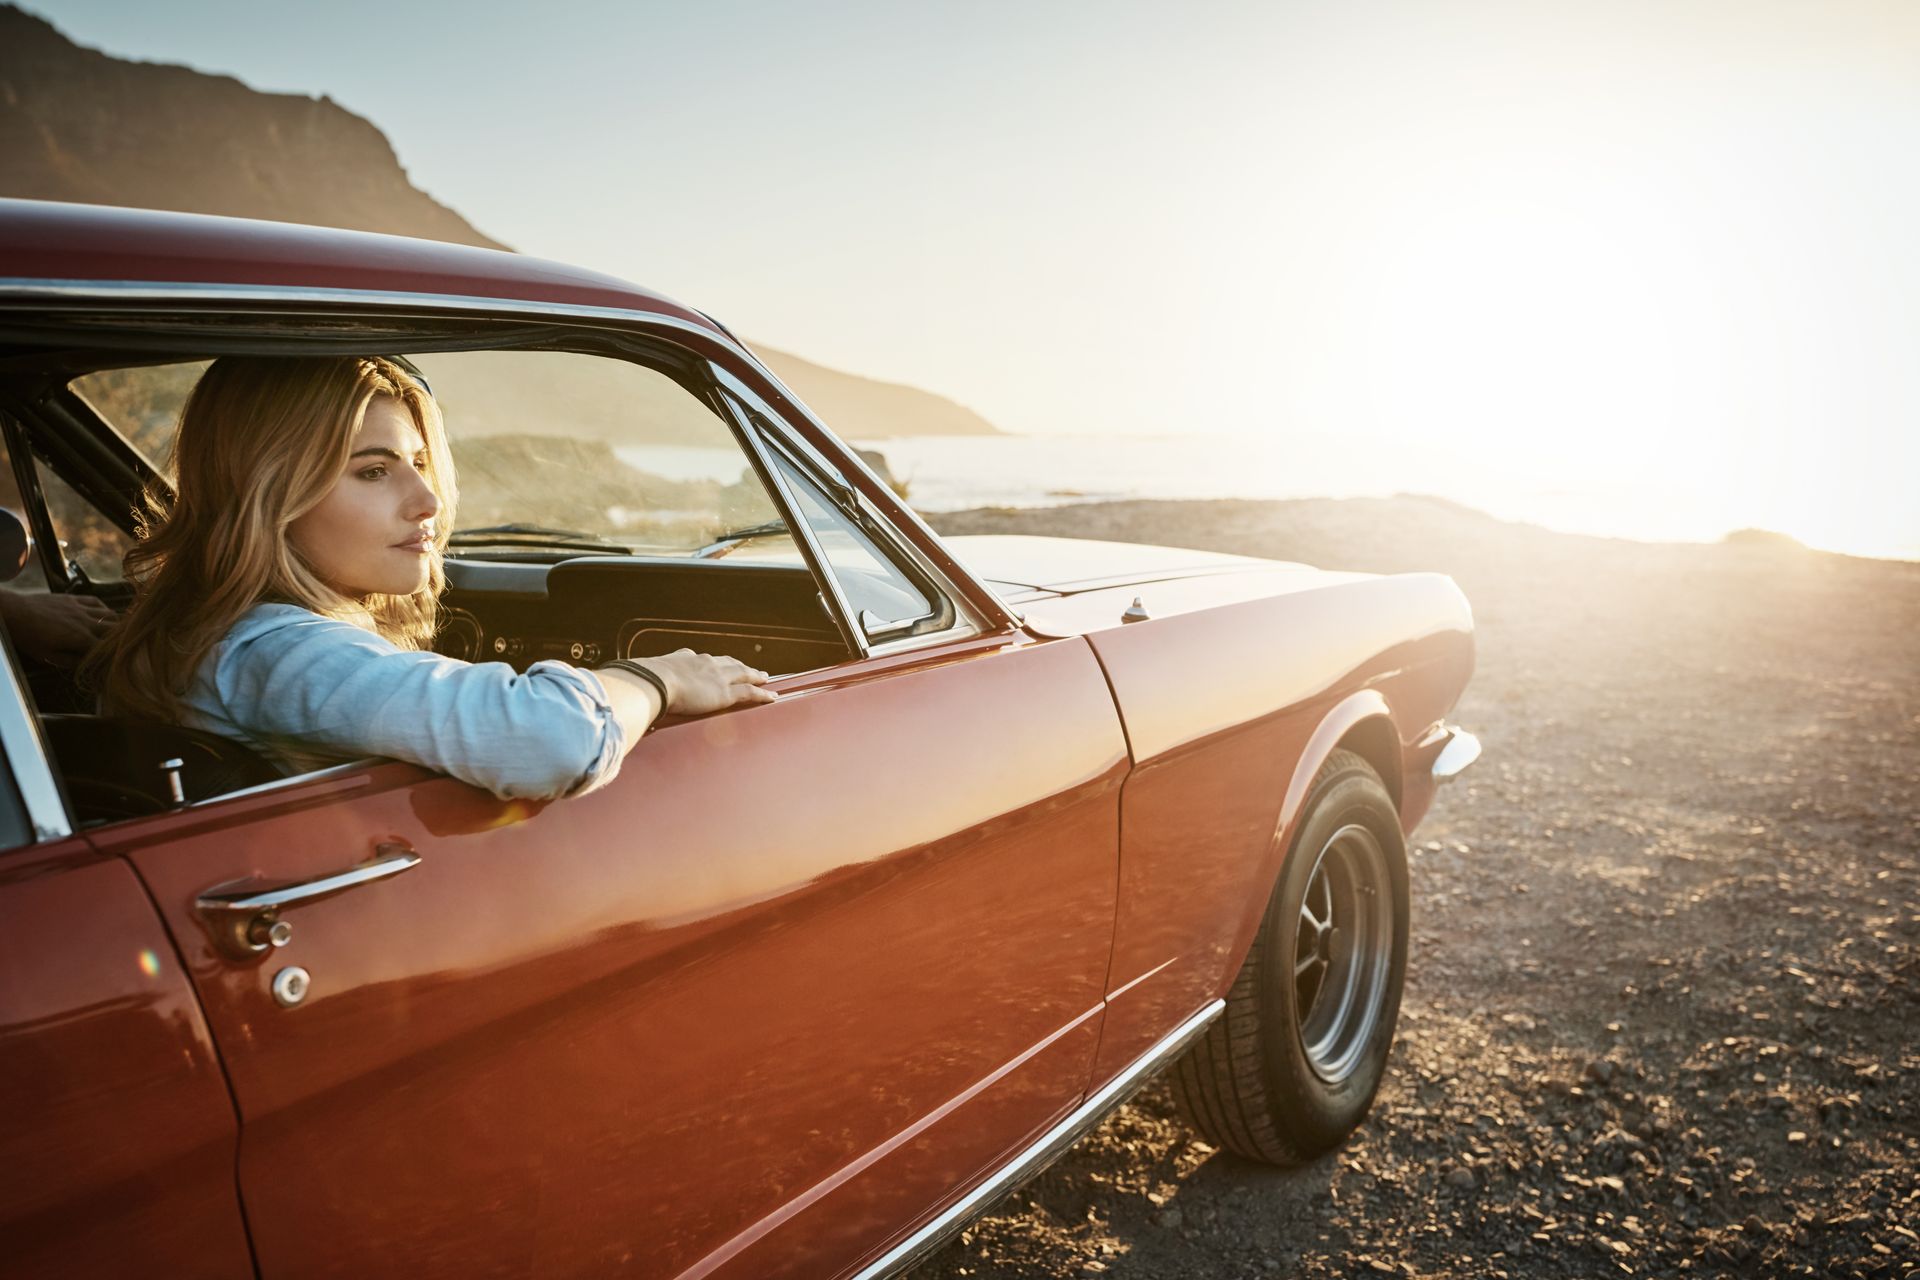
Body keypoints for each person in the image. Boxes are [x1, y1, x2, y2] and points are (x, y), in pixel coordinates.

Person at [85, 355, 775, 800]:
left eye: (419, 463)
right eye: (374, 471)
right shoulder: (277, 654)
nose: (428, 502)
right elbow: (551, 739)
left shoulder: (216, 635)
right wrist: (662, 680)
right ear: (270, 494)